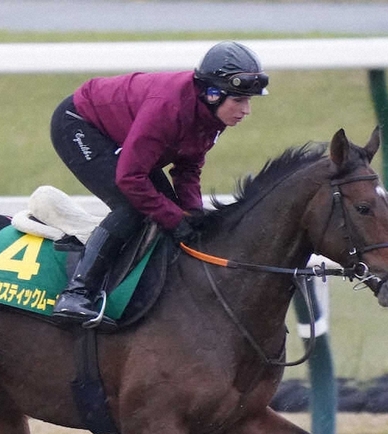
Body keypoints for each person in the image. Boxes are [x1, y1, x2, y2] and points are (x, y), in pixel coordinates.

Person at [48, 40, 269, 325]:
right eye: (239, 100)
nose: (246, 110)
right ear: (213, 94)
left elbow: (188, 169)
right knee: (134, 206)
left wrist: (193, 215)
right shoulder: (169, 107)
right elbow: (129, 179)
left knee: (168, 211)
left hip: (122, 136)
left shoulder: (212, 116)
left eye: (248, 100)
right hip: (79, 124)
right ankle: (77, 294)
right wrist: (176, 219)